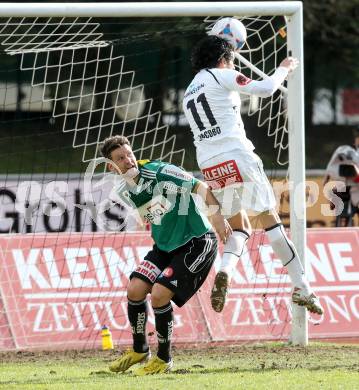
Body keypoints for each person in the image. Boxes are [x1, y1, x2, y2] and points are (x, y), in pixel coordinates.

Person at [182, 34, 323, 315]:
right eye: (232, 60)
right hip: (237, 154)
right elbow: (267, 88)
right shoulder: (220, 75)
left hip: (210, 163)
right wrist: (285, 66)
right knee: (271, 221)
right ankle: (302, 287)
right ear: (224, 60)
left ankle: (225, 270)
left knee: (241, 226)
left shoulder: (189, 91)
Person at [101, 135, 232, 375]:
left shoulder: (159, 171)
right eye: (120, 158)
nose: (128, 160)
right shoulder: (125, 189)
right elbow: (154, 215)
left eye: (129, 154)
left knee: (159, 295)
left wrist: (218, 219)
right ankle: (140, 350)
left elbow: (200, 186)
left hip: (197, 242)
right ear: (112, 166)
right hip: (164, 248)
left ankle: (164, 359)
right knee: (135, 290)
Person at [324, 126, 359, 226]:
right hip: (345, 190)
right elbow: (329, 171)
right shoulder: (345, 151)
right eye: (357, 136)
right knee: (335, 192)